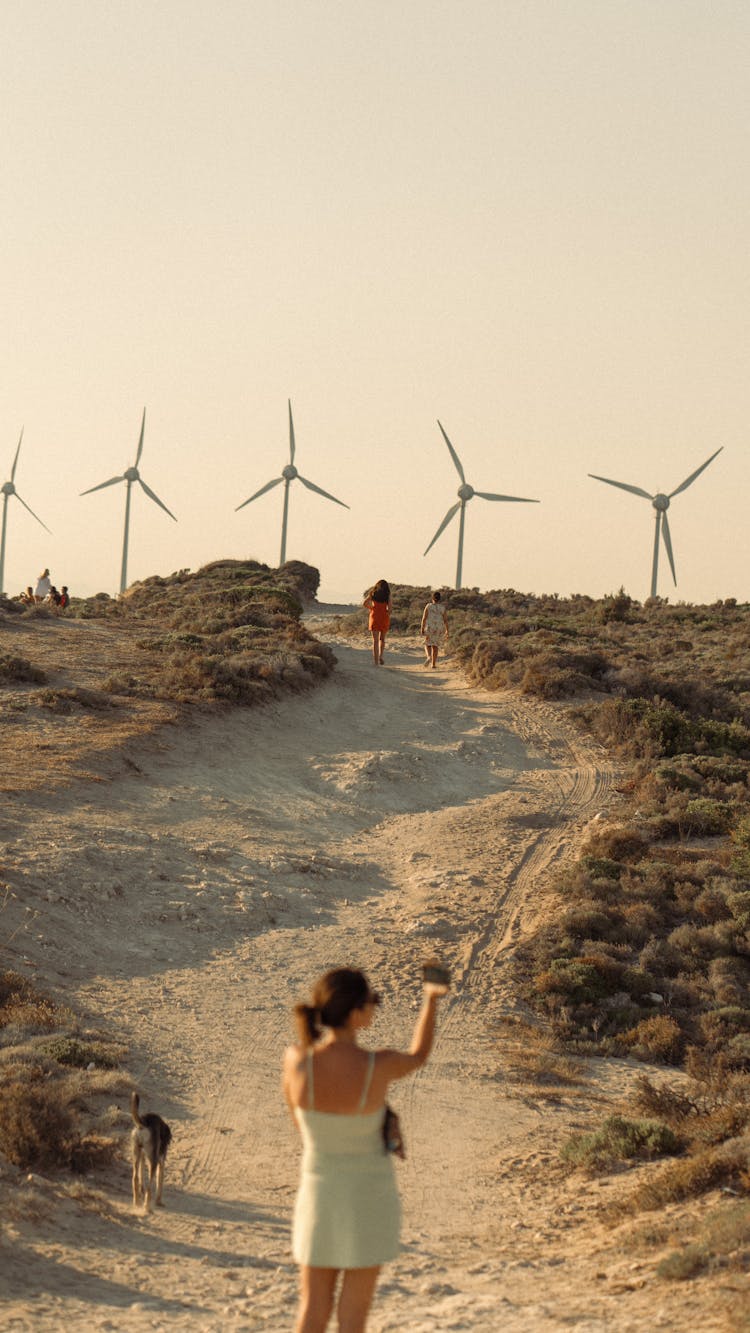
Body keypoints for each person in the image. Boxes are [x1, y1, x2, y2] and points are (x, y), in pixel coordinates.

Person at [283, 966, 449, 1333]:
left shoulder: (296, 1062)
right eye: (372, 1001)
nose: (374, 1008)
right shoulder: (378, 1066)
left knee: (312, 1309)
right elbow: (419, 1054)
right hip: (369, 1197)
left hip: (319, 1194)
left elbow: (302, 1124)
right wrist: (430, 1000)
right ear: (357, 1013)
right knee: (353, 1319)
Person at [362, 580, 391, 666]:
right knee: (382, 639)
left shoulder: (373, 593)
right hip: (384, 617)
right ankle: (381, 656)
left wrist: (372, 608)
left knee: (375, 641)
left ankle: (376, 662)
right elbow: (390, 609)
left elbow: (364, 603)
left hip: (374, 617)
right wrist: (386, 612)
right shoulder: (387, 595)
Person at [420, 591, 449, 668]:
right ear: (439, 599)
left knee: (427, 643)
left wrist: (422, 628)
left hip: (430, 627)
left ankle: (429, 656)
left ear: (432, 598)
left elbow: (424, 618)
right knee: (435, 645)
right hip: (439, 628)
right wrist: (447, 630)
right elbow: (445, 620)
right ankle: (433, 664)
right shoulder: (442, 608)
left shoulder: (428, 606)